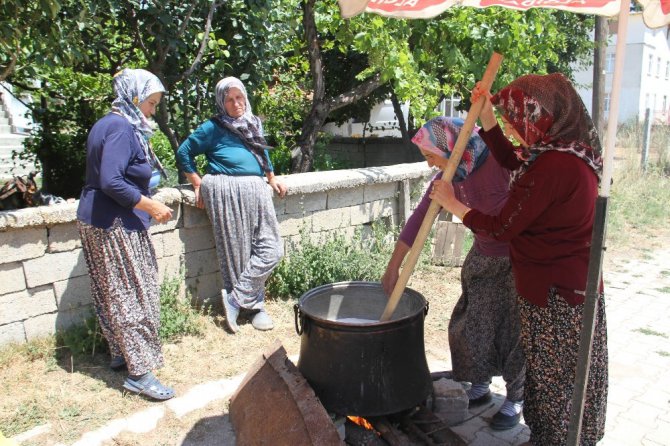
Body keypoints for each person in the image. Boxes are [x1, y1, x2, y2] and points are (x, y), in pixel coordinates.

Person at [431, 73, 608, 445]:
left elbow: (500, 227)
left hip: (557, 296)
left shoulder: (553, 168)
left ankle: (553, 439)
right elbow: (515, 163)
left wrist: (454, 205)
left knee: (553, 381)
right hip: (572, 287)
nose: (515, 132)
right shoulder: (566, 151)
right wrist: (488, 118)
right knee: (560, 377)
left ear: (540, 117)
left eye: (517, 122)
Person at [382, 117, 525, 430]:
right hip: (484, 256)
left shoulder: (500, 161)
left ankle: (516, 398)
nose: (431, 165)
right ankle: (480, 384)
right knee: (471, 323)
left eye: (431, 156)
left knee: (515, 332)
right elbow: (420, 218)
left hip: (518, 260)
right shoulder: (450, 176)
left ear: (449, 147)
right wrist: (393, 266)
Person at [77, 68, 175, 401]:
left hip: (97, 218)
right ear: (134, 97)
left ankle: (122, 353)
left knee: (111, 293)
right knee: (134, 295)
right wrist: (151, 206)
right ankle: (141, 373)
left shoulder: (106, 123)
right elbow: (112, 181)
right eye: (150, 103)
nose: (152, 110)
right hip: (115, 222)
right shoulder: (120, 127)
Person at [176, 76, 286, 334]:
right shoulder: (212, 127)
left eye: (239, 97)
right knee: (236, 251)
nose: (236, 103)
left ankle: (235, 299)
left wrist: (271, 177)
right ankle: (256, 308)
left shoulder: (252, 122)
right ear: (221, 102)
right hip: (225, 189)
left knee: (271, 248)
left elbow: (262, 152)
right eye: (229, 99)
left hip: (256, 189)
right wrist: (196, 182)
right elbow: (184, 152)